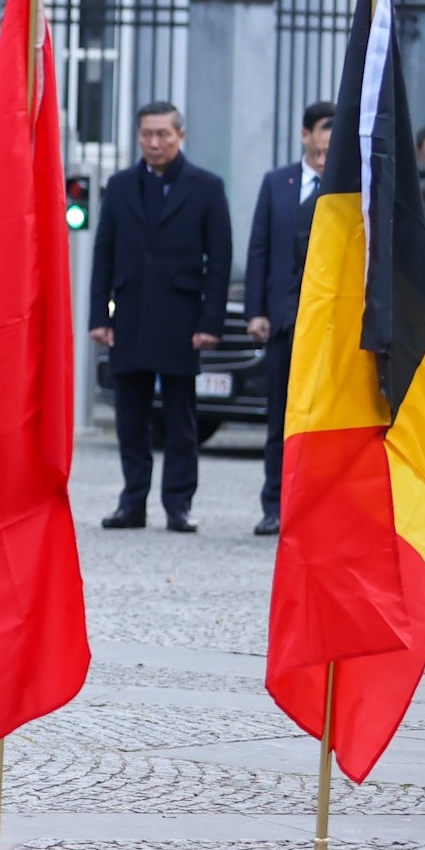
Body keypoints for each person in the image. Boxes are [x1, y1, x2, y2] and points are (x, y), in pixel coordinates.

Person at [88, 101, 233, 534]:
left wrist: (210, 323)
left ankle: (178, 504)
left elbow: (219, 260)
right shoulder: (119, 186)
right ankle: (132, 502)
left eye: (163, 135)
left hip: (180, 318)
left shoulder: (206, 187)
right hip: (130, 314)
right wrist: (100, 315)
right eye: (147, 134)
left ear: (180, 136)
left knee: (180, 419)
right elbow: (104, 255)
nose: (154, 143)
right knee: (129, 418)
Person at [244, 101, 333, 538]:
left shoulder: (348, 185)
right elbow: (258, 249)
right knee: (279, 419)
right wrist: (256, 312)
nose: (330, 138)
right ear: (305, 134)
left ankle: (319, 508)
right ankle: (274, 505)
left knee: (324, 422)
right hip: (284, 321)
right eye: (324, 128)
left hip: (329, 327)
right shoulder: (278, 183)